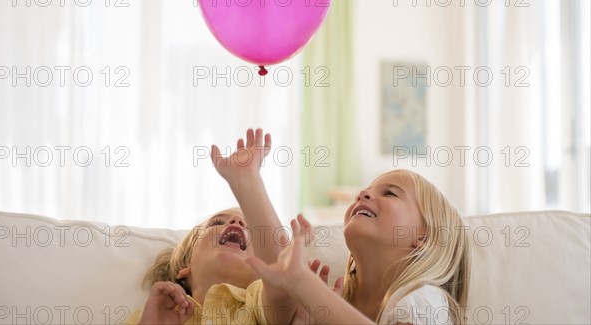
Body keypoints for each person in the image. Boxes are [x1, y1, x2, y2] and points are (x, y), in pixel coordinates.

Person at [246, 169, 471, 325]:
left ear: (425, 239)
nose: (362, 194)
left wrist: (304, 285)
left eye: (389, 193)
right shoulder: (337, 302)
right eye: (367, 190)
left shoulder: (425, 299)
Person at [126, 129, 297, 325]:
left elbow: (282, 274)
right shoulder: (157, 312)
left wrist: (248, 180)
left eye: (253, 232)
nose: (236, 223)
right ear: (185, 265)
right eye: (218, 222)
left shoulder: (258, 305)